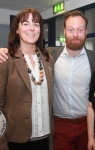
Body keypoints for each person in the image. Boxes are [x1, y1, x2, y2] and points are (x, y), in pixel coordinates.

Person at [0, 10, 95, 150]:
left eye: (80, 30)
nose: (75, 34)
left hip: (83, 126)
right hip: (56, 127)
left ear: (86, 31)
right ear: (64, 31)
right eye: (71, 29)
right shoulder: (51, 56)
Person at [0, 8, 54, 150]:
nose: (31, 28)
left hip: (44, 138)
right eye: (25, 23)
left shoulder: (48, 60)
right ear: (16, 29)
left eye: (36, 24)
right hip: (15, 140)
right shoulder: (6, 59)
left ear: (40, 30)